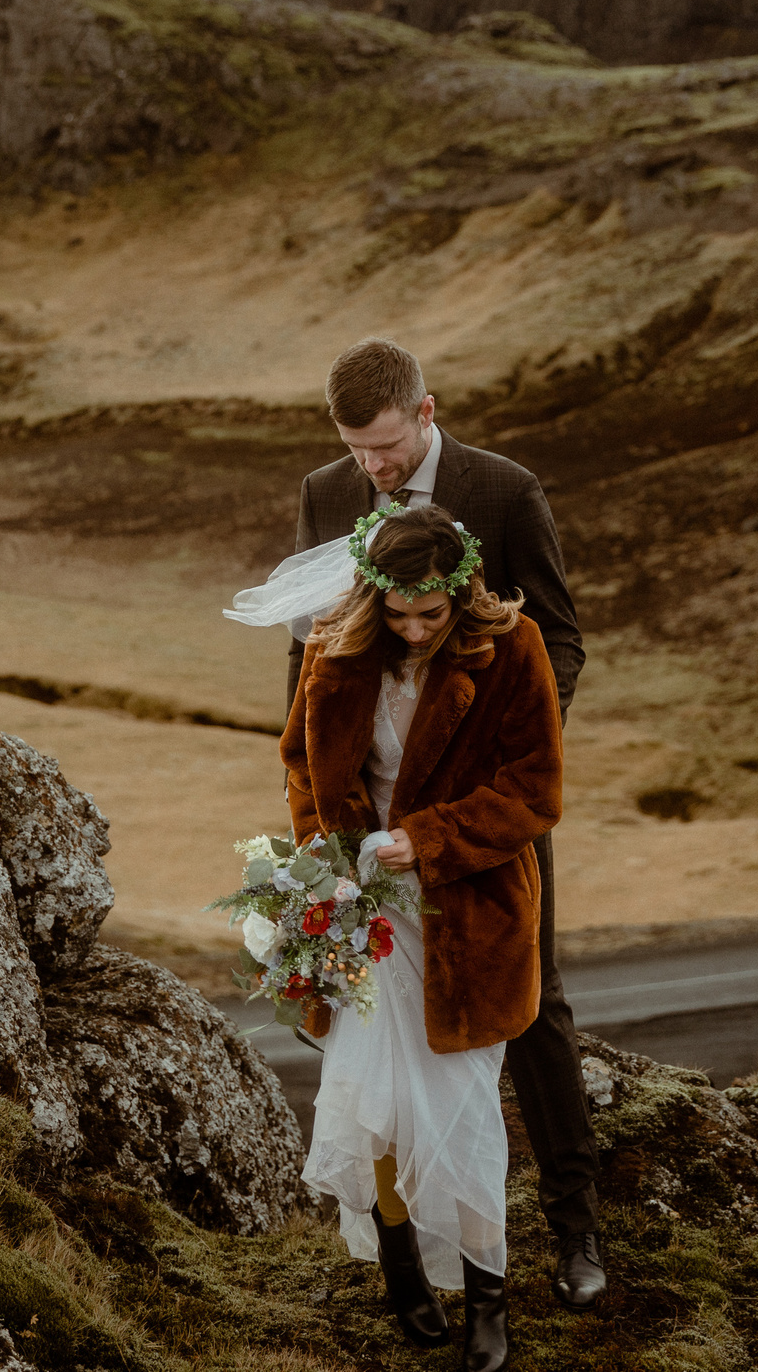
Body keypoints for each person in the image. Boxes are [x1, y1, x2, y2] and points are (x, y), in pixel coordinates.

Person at [284, 338, 607, 1314]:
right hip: (365, 824)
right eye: (356, 450)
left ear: (426, 412)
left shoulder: (503, 490)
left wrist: (497, 761)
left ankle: (577, 1223)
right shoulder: (326, 492)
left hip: (487, 806)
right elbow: (309, 660)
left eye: (384, 447)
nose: (371, 467)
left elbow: (557, 636)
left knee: (533, 1001)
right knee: (369, 1014)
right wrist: (321, 821)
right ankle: (407, 1241)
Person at [281, 505, 561, 1372]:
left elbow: (535, 788)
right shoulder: (336, 648)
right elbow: (302, 766)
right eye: (397, 613)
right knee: (379, 1100)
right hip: (363, 913)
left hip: (469, 916)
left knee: (462, 1111)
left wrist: (429, 838)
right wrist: (325, 864)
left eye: (430, 615)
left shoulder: (514, 648)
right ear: (374, 596)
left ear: (461, 593)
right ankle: (400, 1259)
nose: (412, 629)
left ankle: (486, 1294)